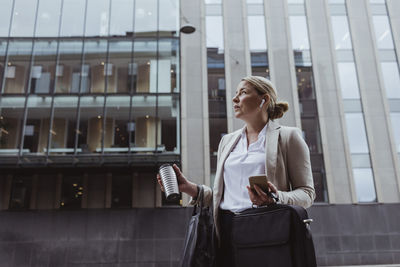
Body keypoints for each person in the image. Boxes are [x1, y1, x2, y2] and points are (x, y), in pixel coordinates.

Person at [157, 76, 315, 267]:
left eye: (243, 93)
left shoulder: (288, 137)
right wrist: (190, 188)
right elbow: (224, 197)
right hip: (224, 232)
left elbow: (307, 193)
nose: (235, 99)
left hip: (266, 232)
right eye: (236, 93)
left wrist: (276, 197)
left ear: (263, 100)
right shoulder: (228, 141)